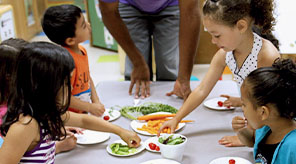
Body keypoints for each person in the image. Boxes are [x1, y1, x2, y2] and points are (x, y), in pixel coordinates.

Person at [158, 0, 280, 143]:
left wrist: (247, 136)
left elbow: (271, 109)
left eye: (217, 35)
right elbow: (202, 90)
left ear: (241, 26)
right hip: (252, 116)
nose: (213, 41)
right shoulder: (225, 54)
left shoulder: (266, 55)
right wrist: (176, 119)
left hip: (267, 126)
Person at [0, 42, 141, 163]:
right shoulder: (26, 125)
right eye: (67, 82)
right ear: (47, 88)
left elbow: (84, 121)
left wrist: (120, 131)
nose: (72, 87)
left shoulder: (45, 113)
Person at [99, 0, 201, 99]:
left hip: (170, 4)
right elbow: (108, 11)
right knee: (137, 79)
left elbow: (190, 14)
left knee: (168, 64)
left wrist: (183, 78)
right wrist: (138, 62)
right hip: (130, 5)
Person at [0, 38, 82, 153]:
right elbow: (16, 151)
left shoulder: (25, 101)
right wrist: (58, 147)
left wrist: (53, 130)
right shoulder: (11, 116)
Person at [42, 4, 105, 117]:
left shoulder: (82, 50)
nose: (89, 25)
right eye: (84, 26)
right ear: (70, 40)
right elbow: (63, 99)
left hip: (83, 113)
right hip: (71, 119)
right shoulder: (65, 62)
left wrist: (96, 101)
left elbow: (87, 78)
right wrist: (90, 107)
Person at [234, 58, 296, 163]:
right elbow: (252, 141)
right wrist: (241, 130)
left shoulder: (293, 147)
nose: (242, 109)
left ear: (263, 112)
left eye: (244, 104)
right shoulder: (267, 128)